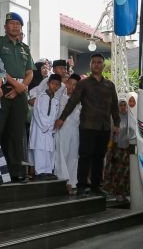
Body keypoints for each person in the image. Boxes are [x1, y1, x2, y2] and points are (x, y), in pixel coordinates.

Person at [55, 53, 120, 197]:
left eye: (99, 62)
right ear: (90, 65)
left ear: (103, 65)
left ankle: (96, 186)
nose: (96, 64)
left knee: (99, 157)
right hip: (87, 126)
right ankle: (81, 186)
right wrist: (62, 118)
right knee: (85, 157)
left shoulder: (109, 85)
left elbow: (114, 106)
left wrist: (117, 124)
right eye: (94, 62)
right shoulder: (83, 84)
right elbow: (72, 102)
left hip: (104, 127)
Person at [0, 12, 34, 182]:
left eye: (18, 24)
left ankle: (16, 171)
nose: (15, 26)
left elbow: (29, 72)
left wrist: (20, 88)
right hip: (2, 90)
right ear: (5, 26)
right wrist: (16, 85)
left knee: (17, 132)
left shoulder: (24, 48)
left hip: (19, 93)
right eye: (12, 23)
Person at [102, 94, 137, 202]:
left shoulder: (130, 116)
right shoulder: (114, 117)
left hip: (126, 149)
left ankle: (124, 193)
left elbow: (133, 131)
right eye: (120, 105)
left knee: (125, 172)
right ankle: (115, 192)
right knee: (115, 171)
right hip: (115, 148)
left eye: (124, 105)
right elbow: (109, 131)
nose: (122, 107)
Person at [29, 74, 62, 180]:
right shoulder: (40, 97)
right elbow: (37, 113)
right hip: (40, 129)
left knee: (48, 150)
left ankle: (47, 171)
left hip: (49, 130)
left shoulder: (56, 100)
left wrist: (51, 126)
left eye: (57, 85)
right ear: (48, 84)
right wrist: (45, 125)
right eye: (53, 84)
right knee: (40, 150)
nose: (55, 86)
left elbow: (55, 115)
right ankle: (40, 172)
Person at [55, 73, 82, 194]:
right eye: (70, 83)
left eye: (75, 85)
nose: (72, 87)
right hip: (62, 130)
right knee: (62, 155)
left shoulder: (81, 101)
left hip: (75, 132)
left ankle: (72, 181)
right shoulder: (59, 96)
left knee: (73, 156)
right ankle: (63, 181)